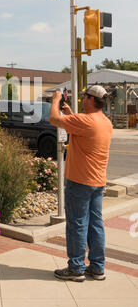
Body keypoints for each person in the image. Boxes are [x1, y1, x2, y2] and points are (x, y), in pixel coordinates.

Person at [49, 85, 113, 282]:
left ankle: (76, 268)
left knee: (77, 224)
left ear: (92, 100)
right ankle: (97, 267)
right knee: (95, 225)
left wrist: (55, 100)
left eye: (85, 97)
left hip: (80, 182)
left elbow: (53, 119)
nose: (82, 100)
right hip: (97, 182)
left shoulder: (86, 121)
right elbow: (80, 127)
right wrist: (70, 113)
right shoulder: (105, 122)